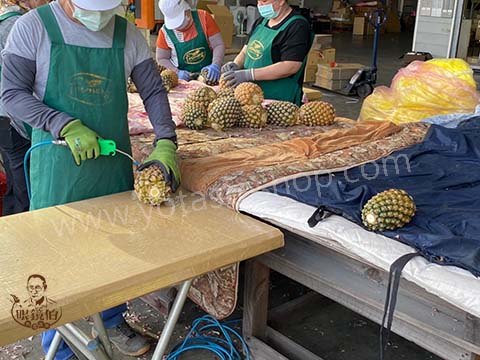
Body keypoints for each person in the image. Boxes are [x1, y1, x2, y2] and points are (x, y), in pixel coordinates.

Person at [1, 0, 180, 358]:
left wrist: (166, 141)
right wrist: (62, 123)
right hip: (59, 168)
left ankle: (111, 321)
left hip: (110, 168)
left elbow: (153, 91)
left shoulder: (127, 34)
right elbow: (10, 94)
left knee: (112, 252)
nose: (99, 16)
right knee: (56, 259)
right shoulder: (34, 27)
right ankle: (59, 341)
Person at [0, 0, 49, 216]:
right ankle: (24, 227)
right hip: (14, 117)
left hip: (4, 114)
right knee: (25, 180)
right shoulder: (16, 25)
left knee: (14, 174)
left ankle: (12, 223)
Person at [222, 0, 312, 105]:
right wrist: (235, 64)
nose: (260, 5)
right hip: (248, 95)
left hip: (278, 99)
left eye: (264, 1)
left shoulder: (297, 26)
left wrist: (249, 74)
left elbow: (291, 66)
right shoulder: (261, 22)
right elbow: (245, 51)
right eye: (259, 1)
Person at [156, 0, 225, 83]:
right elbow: (162, 58)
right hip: (182, 81)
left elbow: (218, 44)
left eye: (178, 23)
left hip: (209, 76)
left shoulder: (204, 18)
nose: (177, 28)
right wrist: (176, 72)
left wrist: (216, 65)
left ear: (187, 12)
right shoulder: (165, 32)